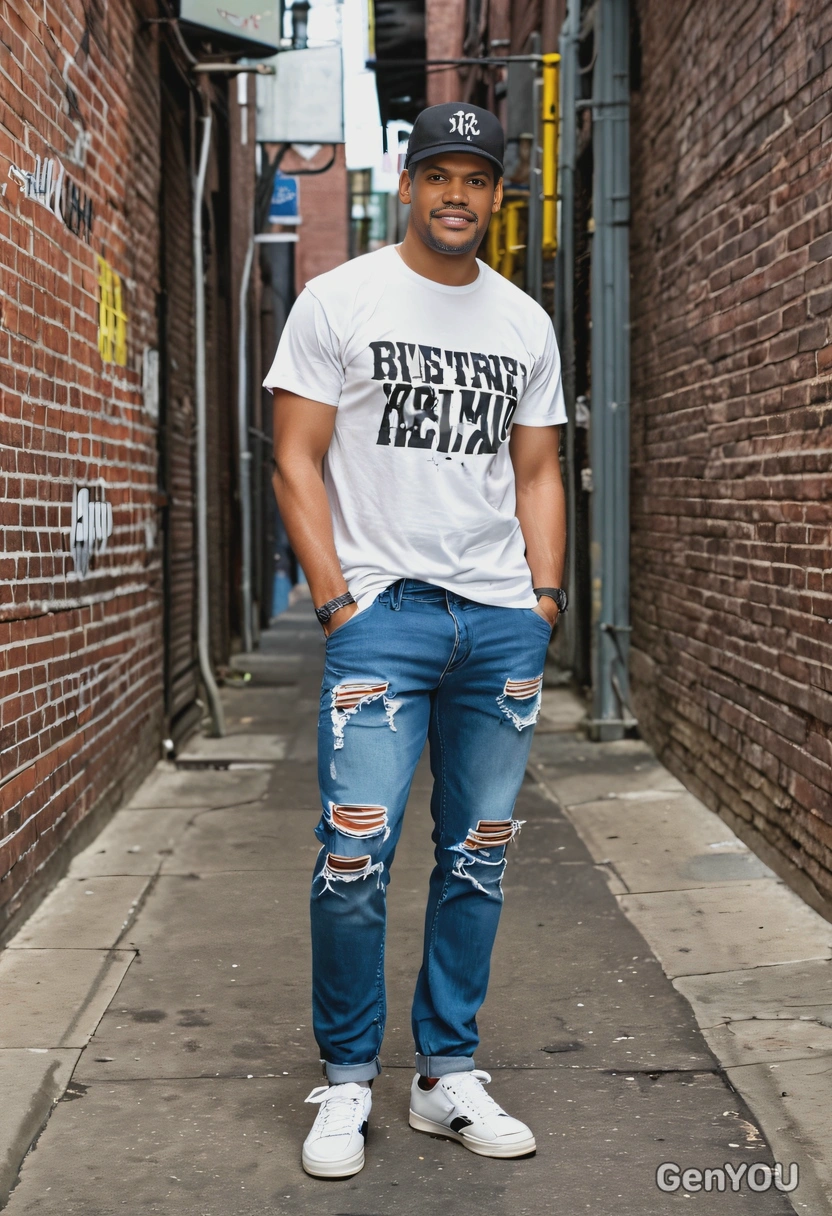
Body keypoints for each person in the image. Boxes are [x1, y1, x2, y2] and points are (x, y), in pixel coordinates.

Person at [265, 101, 567, 1180]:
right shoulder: (337, 298)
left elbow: (535, 469)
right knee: (354, 858)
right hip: (380, 622)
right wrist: (337, 598)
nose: (456, 194)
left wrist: (542, 598)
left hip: (496, 624)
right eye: (438, 172)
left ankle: (445, 1072)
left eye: (476, 178)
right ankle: (348, 1077)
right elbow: (294, 456)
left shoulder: (523, 322)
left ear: (496, 196)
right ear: (409, 183)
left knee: (476, 859)